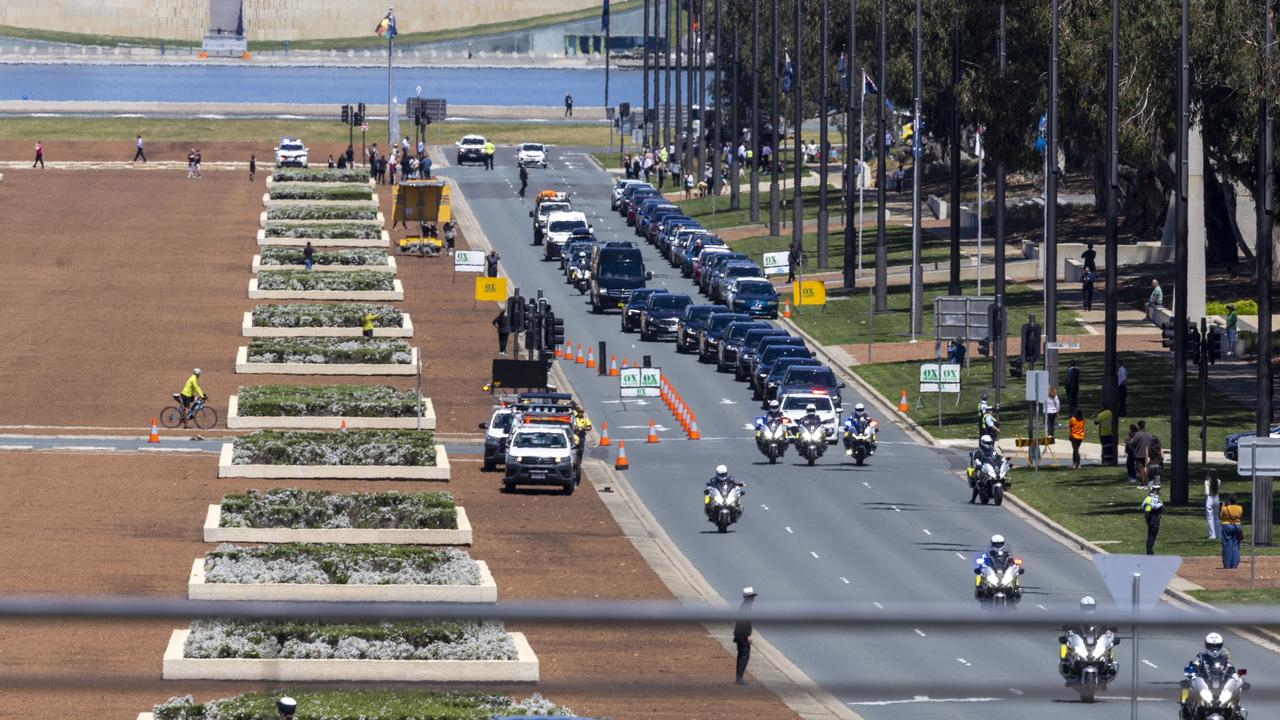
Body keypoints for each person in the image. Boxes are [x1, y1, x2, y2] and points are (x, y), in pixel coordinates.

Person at [969, 435, 1004, 503]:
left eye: (990, 443)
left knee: (999, 474)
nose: (989, 444)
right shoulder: (979, 450)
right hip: (981, 468)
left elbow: (997, 456)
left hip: (990, 467)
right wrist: (978, 464)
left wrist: (1002, 460)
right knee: (977, 482)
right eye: (987, 443)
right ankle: (973, 499)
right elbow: (976, 459)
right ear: (983, 442)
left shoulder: (992, 450)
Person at [734, 587, 757, 685]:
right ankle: (739, 678)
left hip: (739, 634)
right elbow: (745, 623)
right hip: (743, 635)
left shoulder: (744, 606)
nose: (753, 599)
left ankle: (739, 677)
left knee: (741, 655)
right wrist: (748, 635)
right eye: (751, 597)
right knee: (744, 655)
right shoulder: (746, 608)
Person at [1220, 494, 1243, 569]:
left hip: (1227, 526)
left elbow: (1221, 516)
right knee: (1236, 545)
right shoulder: (1239, 508)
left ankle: (1227, 565)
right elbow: (1240, 515)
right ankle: (1234, 565)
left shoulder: (1224, 508)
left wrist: (1224, 506)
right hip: (1237, 526)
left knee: (1227, 545)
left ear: (1229, 500)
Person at [1141, 486, 1164, 555]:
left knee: (1150, 533)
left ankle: (1149, 550)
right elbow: (1154, 506)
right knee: (1153, 534)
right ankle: (1149, 551)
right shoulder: (1156, 500)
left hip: (1148, 516)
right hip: (1154, 518)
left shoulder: (1147, 498)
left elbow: (1142, 506)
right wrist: (1160, 504)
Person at [1132, 420, 1153, 487]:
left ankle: (1143, 483)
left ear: (1138, 426)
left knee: (1140, 468)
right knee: (1147, 468)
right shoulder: (1148, 435)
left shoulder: (1137, 434)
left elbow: (1133, 443)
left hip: (1139, 454)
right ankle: (1147, 482)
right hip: (1148, 455)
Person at [1204, 469, 1221, 541]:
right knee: (1216, 517)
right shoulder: (1219, 481)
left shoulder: (1207, 482)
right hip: (1216, 498)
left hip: (1210, 498)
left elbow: (1207, 492)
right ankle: (1218, 534)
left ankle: (1212, 535)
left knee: (1210, 518)